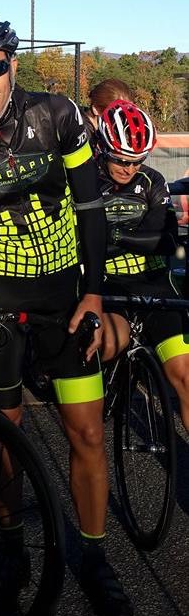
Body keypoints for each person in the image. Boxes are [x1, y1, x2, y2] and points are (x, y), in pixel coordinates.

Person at [0, 14, 132, 616]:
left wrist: (93, 294)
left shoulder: (59, 114)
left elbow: (91, 204)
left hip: (64, 299)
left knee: (88, 433)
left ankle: (93, 555)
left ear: (13, 66)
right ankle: (10, 543)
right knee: (3, 440)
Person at [97, 100, 189, 429]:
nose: (129, 168)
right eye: (121, 159)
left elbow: (163, 240)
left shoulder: (152, 180)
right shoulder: (83, 179)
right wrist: (134, 235)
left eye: (137, 160)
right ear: (103, 147)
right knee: (109, 345)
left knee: (186, 378)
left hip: (152, 281)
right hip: (107, 283)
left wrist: (111, 235)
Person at [83, 78, 134, 153]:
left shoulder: (99, 128)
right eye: (117, 113)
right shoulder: (82, 134)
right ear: (96, 109)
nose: (124, 118)